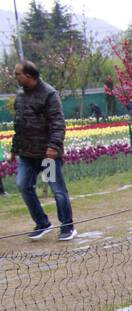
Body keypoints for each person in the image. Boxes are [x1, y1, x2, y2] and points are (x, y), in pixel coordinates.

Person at [13, 61, 74, 241]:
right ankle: (42, 223)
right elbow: (19, 124)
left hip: (47, 155)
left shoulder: (49, 94)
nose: (15, 77)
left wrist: (53, 147)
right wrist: (14, 148)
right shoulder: (20, 96)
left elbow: (58, 123)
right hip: (27, 155)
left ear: (29, 76)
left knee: (58, 191)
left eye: (17, 74)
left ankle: (67, 227)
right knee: (23, 186)